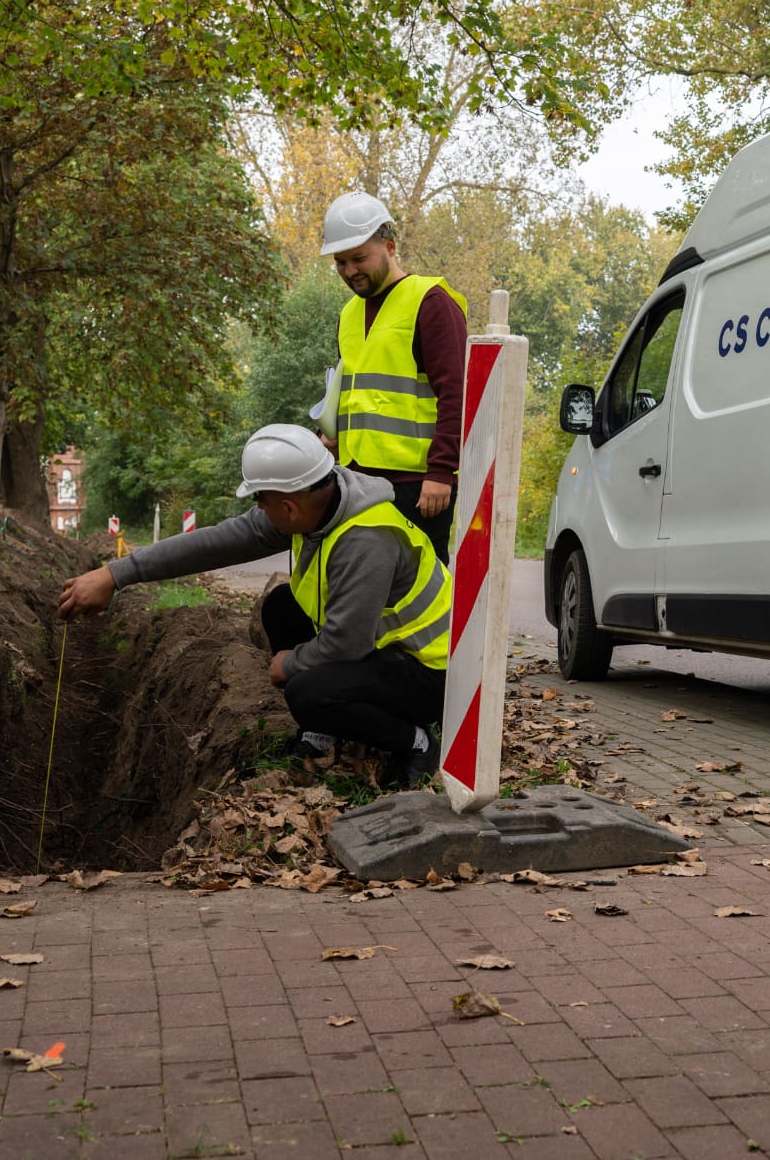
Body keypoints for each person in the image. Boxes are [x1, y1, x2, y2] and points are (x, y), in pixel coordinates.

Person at [56, 424, 448, 786]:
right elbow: (217, 542)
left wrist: (292, 664)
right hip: (384, 650)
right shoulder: (322, 504)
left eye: (261, 500)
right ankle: (323, 731)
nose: (258, 510)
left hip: (428, 671)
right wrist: (116, 574)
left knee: (307, 692)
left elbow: (347, 645)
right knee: (281, 606)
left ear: (289, 507)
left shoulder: (366, 539)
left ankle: (414, 742)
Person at [319, 191, 468, 560]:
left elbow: (457, 394)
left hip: (417, 487)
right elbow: (355, 391)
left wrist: (442, 472)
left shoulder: (430, 302)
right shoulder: (349, 314)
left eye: (359, 258)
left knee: (421, 594)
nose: (350, 270)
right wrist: (333, 432)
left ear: (390, 246)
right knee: (364, 592)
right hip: (358, 482)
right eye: (341, 262)